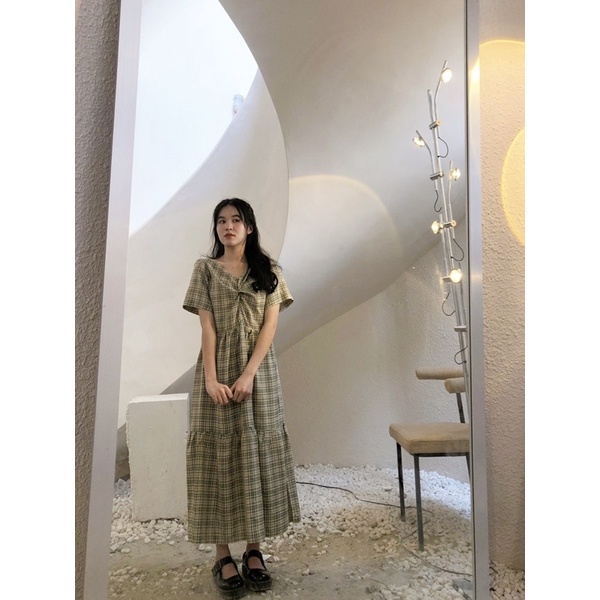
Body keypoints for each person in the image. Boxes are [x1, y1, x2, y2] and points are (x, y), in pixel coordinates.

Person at [183, 198, 301, 598]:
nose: (228, 226)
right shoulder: (205, 269)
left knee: (255, 454)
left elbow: (270, 328)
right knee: (218, 457)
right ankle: (222, 554)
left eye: (236, 220)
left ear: (249, 227)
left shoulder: (269, 273)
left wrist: (249, 373)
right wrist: (211, 380)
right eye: (221, 220)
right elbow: (208, 329)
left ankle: (254, 549)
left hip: (259, 374)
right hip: (215, 372)